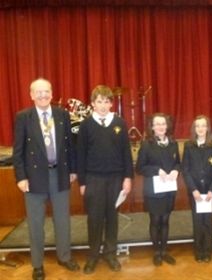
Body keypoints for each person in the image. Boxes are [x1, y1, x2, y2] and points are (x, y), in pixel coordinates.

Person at [12, 78, 80, 280]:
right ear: (31, 95)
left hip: (59, 174)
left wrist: (73, 169)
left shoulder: (62, 114)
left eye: (46, 91)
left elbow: (69, 145)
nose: (43, 95)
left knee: (62, 220)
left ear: (52, 93)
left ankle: (64, 257)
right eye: (38, 92)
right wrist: (21, 177)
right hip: (34, 178)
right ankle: (37, 264)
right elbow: (18, 151)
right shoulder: (24, 117)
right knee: (35, 223)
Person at [77, 85, 133, 274]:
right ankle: (93, 255)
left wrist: (127, 178)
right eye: (99, 101)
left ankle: (110, 253)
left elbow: (126, 152)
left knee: (112, 218)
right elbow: (81, 155)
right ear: (93, 103)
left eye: (106, 101)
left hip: (116, 178)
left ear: (111, 103)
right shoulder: (85, 125)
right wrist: (83, 182)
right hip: (93, 179)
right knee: (94, 218)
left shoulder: (120, 123)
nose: (103, 105)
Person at [136, 113, 180, 266]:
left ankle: (164, 251)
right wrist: (157, 171)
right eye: (157, 124)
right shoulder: (147, 144)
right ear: (152, 127)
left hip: (169, 189)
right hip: (153, 190)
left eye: (163, 123)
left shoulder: (173, 143)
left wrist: (176, 170)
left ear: (167, 126)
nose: (161, 126)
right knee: (155, 220)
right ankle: (156, 252)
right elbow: (140, 168)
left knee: (166, 220)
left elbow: (177, 163)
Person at [182, 115, 212, 263]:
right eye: (197, 126)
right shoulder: (189, 145)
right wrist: (194, 190)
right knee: (197, 220)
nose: (200, 128)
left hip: (210, 191)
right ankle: (198, 250)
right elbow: (185, 170)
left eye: (203, 125)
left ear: (208, 128)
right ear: (194, 128)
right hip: (196, 191)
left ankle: (208, 250)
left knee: (208, 220)